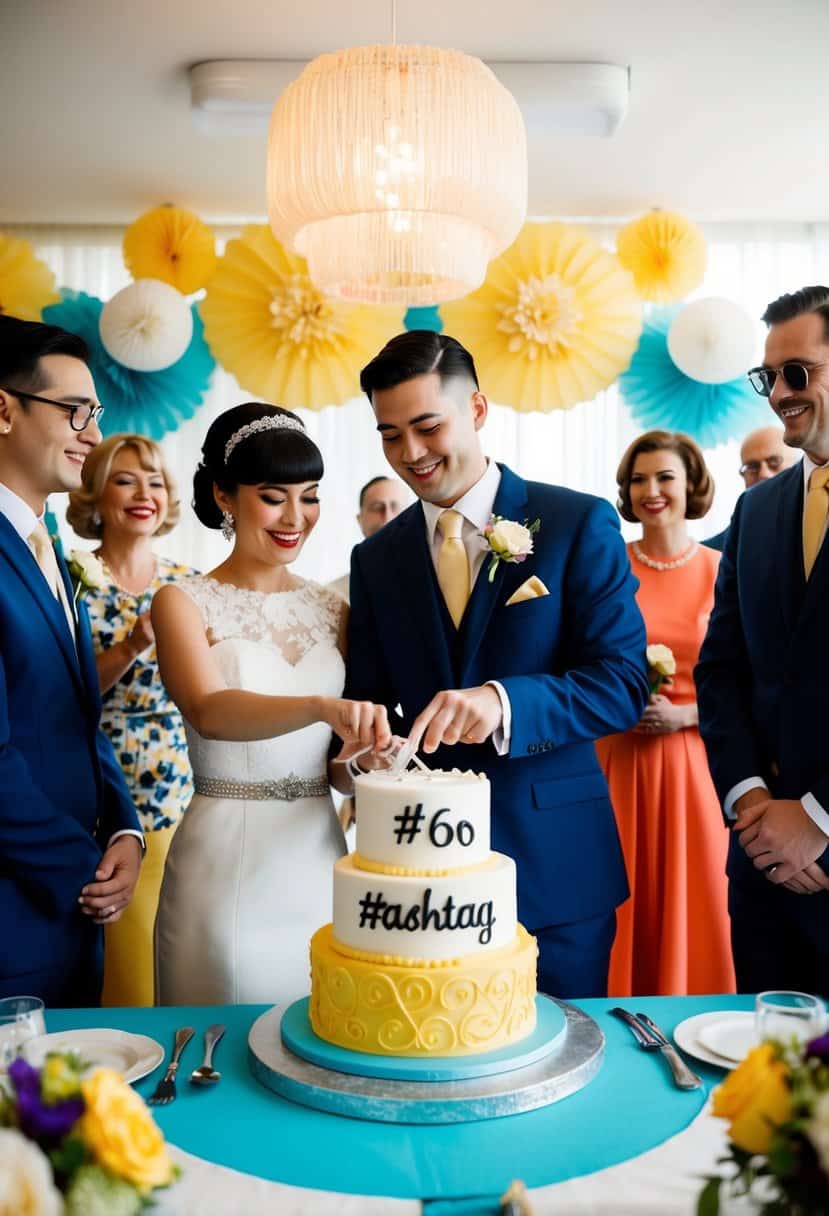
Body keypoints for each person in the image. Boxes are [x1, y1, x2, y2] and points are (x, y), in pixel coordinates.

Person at [344, 331, 649, 999]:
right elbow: (368, 702)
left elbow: (621, 685)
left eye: (427, 426)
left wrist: (501, 702)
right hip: (422, 882)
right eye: (389, 435)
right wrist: (366, 753)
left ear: (476, 409)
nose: (410, 454)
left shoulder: (576, 522)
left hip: (554, 868)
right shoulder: (374, 560)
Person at [152, 402, 391, 1005]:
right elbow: (209, 708)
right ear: (225, 496)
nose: (296, 516)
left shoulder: (336, 609)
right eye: (274, 495)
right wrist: (319, 706)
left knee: (320, 1027)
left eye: (310, 495)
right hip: (225, 855)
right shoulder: (181, 602)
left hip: (316, 857)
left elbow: (335, 766)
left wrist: (367, 764)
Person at [0, 316, 142, 1006]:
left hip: (71, 913)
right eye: (74, 411)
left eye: (96, 412)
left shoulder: (46, 540)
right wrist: (83, 871)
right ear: (4, 409)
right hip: (15, 915)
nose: (92, 433)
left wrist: (123, 826)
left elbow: (80, 714)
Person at [697, 286, 829, 994]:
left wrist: (815, 819)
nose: (778, 393)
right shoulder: (755, 509)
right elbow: (719, 673)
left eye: (797, 372)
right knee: (764, 1089)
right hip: (760, 875)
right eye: (767, 377)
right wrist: (751, 805)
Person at [595, 431, 735, 996]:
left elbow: (743, 678)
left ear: (691, 485)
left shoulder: (723, 568)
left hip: (691, 766)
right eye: (639, 479)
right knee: (614, 892)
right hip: (615, 760)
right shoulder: (609, 568)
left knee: (697, 895)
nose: (651, 490)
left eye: (664, 477)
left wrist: (687, 717)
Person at [67, 434, 197, 1006]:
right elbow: (60, 696)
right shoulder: (70, 581)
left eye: (155, 481)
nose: (145, 493)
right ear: (96, 494)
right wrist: (131, 645)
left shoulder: (189, 583)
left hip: (185, 793)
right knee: (129, 972)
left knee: (187, 961)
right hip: (105, 799)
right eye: (126, 479)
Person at [704, 425, 799, 551]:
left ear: (798, 466)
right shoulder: (713, 553)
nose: (764, 474)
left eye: (774, 461)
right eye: (752, 467)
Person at [328, 475, 407, 602]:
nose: (387, 518)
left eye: (395, 506)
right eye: (377, 507)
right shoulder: (333, 596)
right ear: (360, 520)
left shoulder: (438, 580)